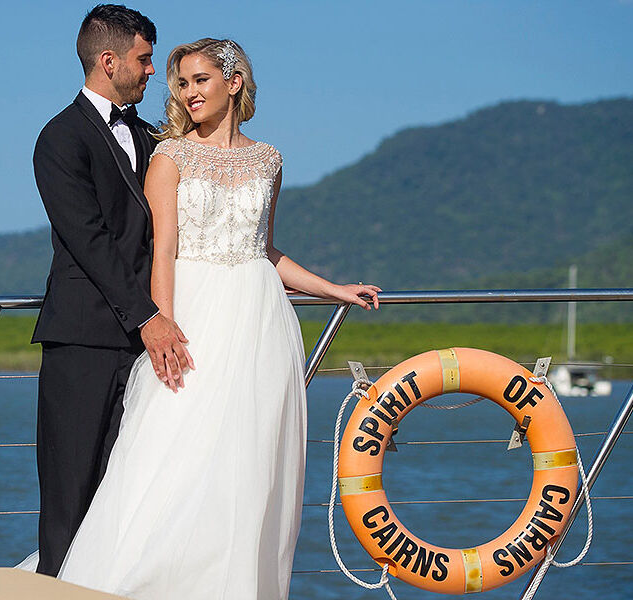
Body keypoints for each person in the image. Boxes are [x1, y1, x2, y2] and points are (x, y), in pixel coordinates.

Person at [41, 38, 380, 599]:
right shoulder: (169, 156)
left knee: (246, 465)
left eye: (200, 80)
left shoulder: (269, 159)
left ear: (234, 82)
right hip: (192, 315)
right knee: (172, 454)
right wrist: (162, 324)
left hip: (258, 322)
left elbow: (265, 251)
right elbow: (164, 248)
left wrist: (333, 289)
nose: (188, 92)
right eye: (181, 82)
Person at [30, 5, 193, 577]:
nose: (154, 72)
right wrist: (148, 316)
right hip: (84, 340)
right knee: (71, 491)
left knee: (126, 494)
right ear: (109, 61)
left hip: (150, 344)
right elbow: (89, 240)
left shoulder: (154, 138)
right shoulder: (59, 139)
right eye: (145, 60)